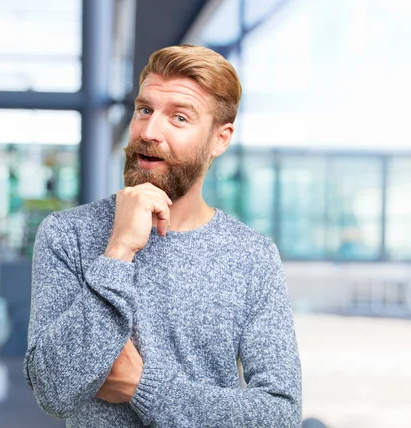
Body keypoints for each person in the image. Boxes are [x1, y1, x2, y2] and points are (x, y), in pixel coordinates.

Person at [24, 45, 302, 427]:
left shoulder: (252, 256)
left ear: (220, 140)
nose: (150, 131)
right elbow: (53, 389)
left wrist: (143, 385)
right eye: (145, 110)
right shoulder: (68, 234)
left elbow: (280, 415)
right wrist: (118, 250)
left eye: (179, 118)